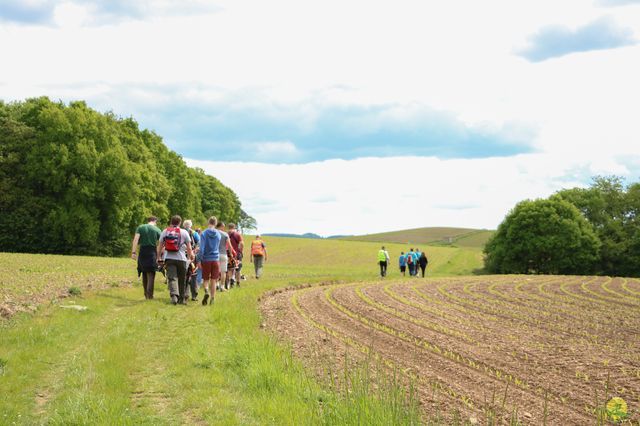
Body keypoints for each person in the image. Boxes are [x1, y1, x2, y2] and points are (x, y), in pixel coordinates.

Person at [157, 215, 194, 305]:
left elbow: (160, 246)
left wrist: (159, 257)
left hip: (169, 258)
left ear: (171, 222)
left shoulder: (165, 231)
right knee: (182, 279)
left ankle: (174, 296)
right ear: (180, 223)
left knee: (172, 277)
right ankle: (182, 299)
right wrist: (190, 256)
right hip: (182, 259)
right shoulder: (184, 232)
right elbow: (189, 247)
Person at [131, 216, 161, 299]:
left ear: (148, 221)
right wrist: (159, 254)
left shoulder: (140, 227)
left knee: (144, 272)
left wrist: (133, 252)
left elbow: (136, 240)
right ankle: (150, 295)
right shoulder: (157, 229)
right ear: (155, 221)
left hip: (142, 251)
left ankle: (145, 294)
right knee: (151, 273)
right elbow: (162, 243)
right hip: (152, 252)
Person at [199, 217, 221, 306]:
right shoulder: (218, 234)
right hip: (215, 259)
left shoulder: (204, 233)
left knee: (206, 278)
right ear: (216, 223)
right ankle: (212, 298)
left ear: (208, 222)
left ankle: (206, 291)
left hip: (206, 259)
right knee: (214, 280)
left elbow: (201, 249)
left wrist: (199, 259)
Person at [215, 222, 236, 291]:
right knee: (223, 271)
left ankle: (216, 284)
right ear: (221, 226)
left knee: (216, 271)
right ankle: (222, 287)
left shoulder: (213, 233)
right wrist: (231, 254)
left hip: (214, 254)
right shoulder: (225, 234)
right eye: (223, 227)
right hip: (223, 254)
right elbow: (229, 246)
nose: (224, 228)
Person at [183, 220, 199, 301]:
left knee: (184, 274)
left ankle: (185, 294)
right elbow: (199, 243)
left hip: (183, 256)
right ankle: (194, 295)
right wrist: (194, 251)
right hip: (192, 256)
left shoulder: (181, 232)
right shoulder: (194, 233)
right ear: (191, 225)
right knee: (193, 274)